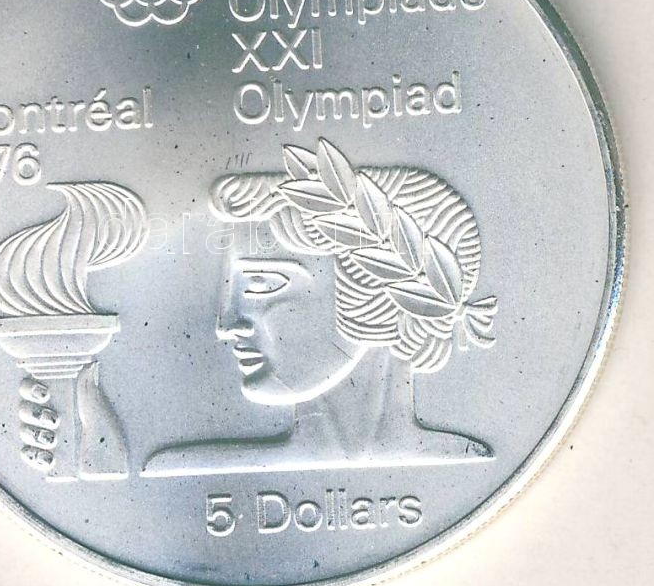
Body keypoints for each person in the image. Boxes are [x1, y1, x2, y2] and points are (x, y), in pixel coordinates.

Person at [143, 140, 497, 476]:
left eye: (262, 284)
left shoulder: (471, 463)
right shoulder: (182, 471)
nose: (226, 323)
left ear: (377, 295)